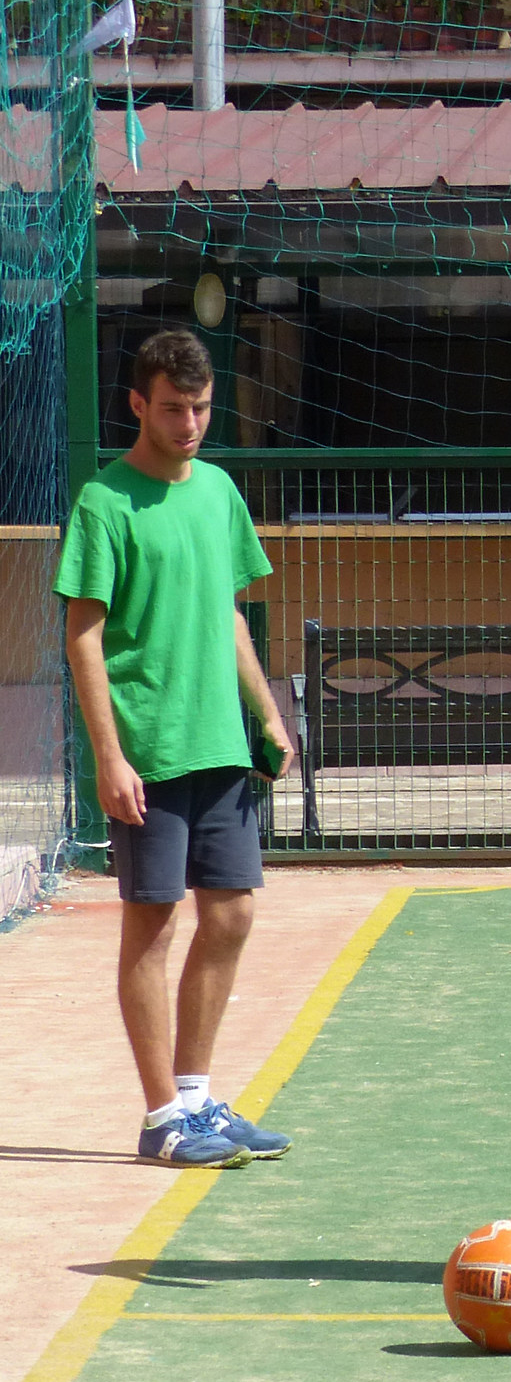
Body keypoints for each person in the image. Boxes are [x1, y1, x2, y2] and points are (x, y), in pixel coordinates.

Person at [55, 328, 296, 1169]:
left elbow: (228, 614)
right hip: (148, 751)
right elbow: (84, 635)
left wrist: (268, 714)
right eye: (172, 408)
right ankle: (161, 1118)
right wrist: (108, 755)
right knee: (152, 926)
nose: (189, 424)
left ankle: (197, 1101)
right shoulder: (104, 502)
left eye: (200, 408)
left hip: (220, 745)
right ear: (137, 404)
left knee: (232, 914)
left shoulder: (219, 490)